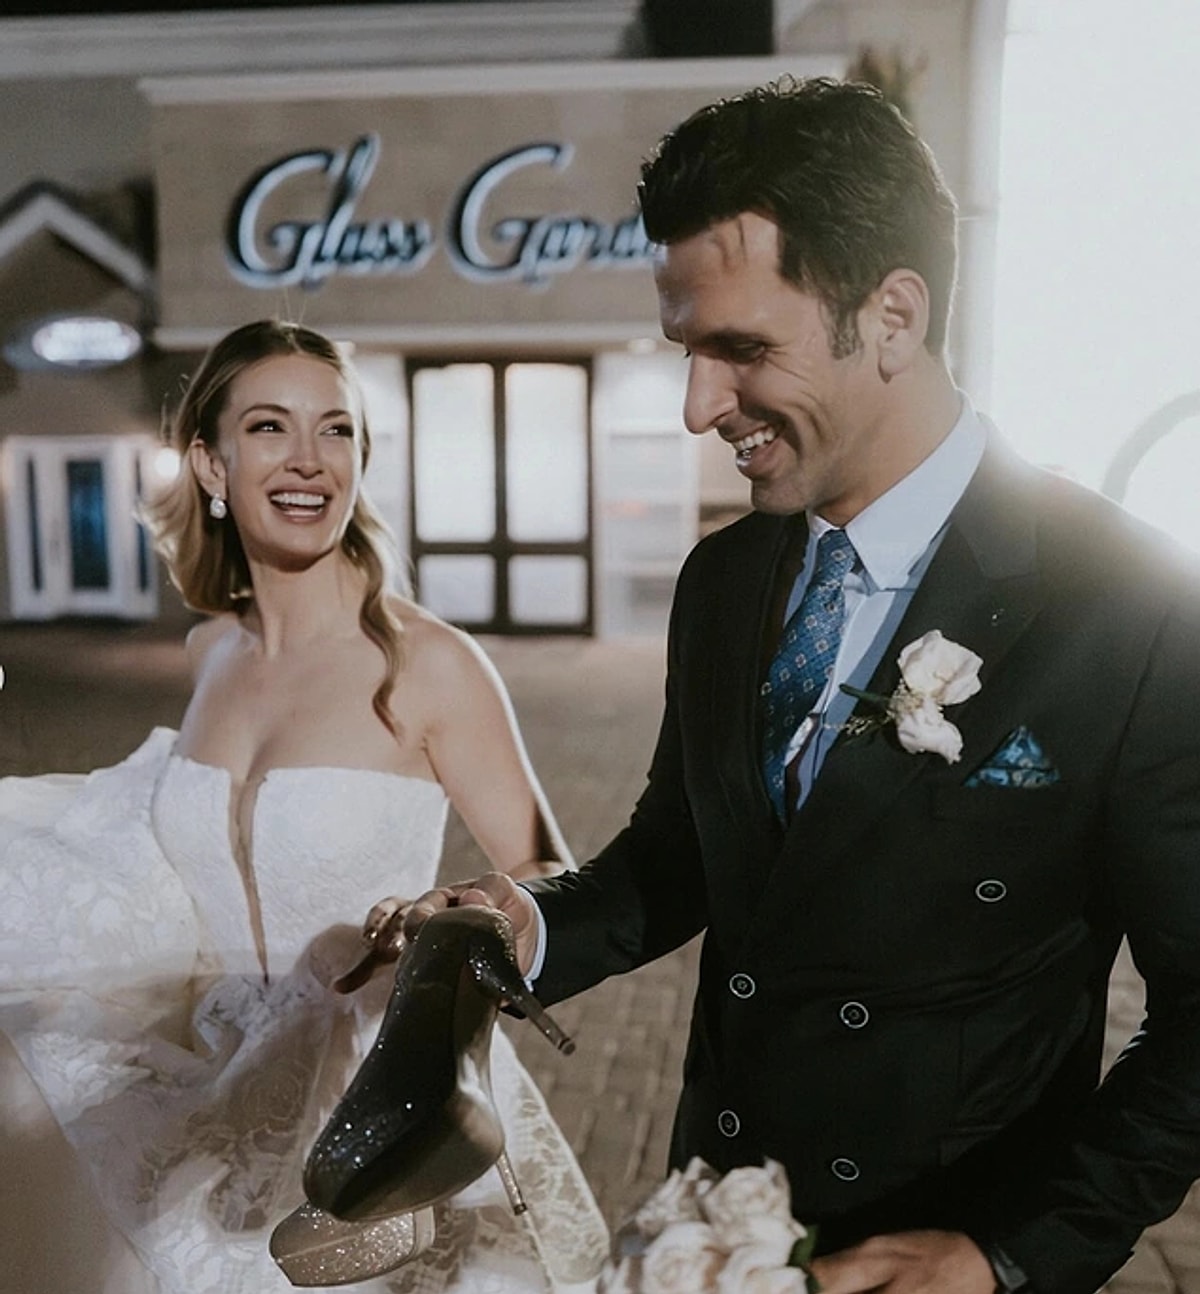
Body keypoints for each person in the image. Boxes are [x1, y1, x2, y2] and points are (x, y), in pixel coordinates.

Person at [403, 76, 1200, 1294]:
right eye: (687, 351)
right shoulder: (724, 579)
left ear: (893, 316)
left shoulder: (1127, 604)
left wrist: (1007, 1253)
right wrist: (535, 921)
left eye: (741, 349)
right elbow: (682, 849)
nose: (698, 407)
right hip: (713, 1228)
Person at [0, 319, 609, 1294]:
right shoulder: (212, 652)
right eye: (270, 427)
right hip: (208, 1080)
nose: (308, 459)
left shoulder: (429, 664)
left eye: (337, 429)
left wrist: (456, 917)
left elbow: (552, 875)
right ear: (212, 463)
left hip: (366, 1109)